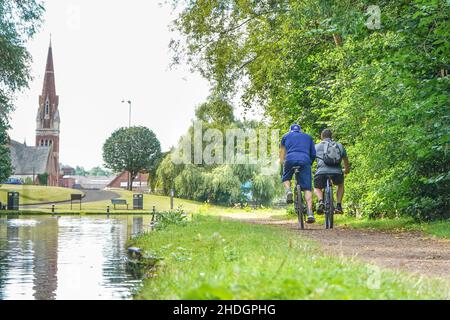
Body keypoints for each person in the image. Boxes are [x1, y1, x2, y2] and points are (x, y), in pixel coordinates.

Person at [280, 124, 316, 223]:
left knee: (286, 176)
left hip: (290, 159)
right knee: (307, 188)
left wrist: (283, 163)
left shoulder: (285, 136)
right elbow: (313, 154)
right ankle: (310, 213)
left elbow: (282, 153)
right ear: (300, 130)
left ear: (290, 130)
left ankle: (288, 191)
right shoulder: (308, 137)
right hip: (305, 160)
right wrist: (309, 163)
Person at [314, 129, 350, 214]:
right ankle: (339, 205)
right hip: (337, 172)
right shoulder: (339, 145)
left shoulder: (316, 146)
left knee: (317, 187)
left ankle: (321, 201)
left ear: (321, 137)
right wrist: (347, 170)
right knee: (340, 185)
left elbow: (310, 160)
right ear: (331, 136)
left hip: (321, 172)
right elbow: (345, 160)